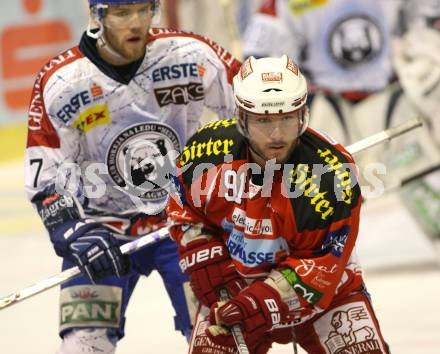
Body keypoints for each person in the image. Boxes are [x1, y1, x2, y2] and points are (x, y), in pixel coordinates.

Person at [24, 0, 241, 353]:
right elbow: (45, 175)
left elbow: (252, 107)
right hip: (102, 230)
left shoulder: (190, 55)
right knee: (82, 345)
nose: (137, 22)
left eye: (145, 10)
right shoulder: (62, 81)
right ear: (97, 16)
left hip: (185, 226)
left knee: (219, 336)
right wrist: (73, 231)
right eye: (123, 13)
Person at [167, 55, 390, 354]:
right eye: (263, 120)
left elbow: (320, 267)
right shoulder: (206, 152)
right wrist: (204, 257)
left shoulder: (332, 176)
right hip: (233, 289)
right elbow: (184, 208)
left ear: (302, 115)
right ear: (242, 119)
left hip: (327, 299)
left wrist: (257, 302)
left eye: (286, 118)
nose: (276, 135)